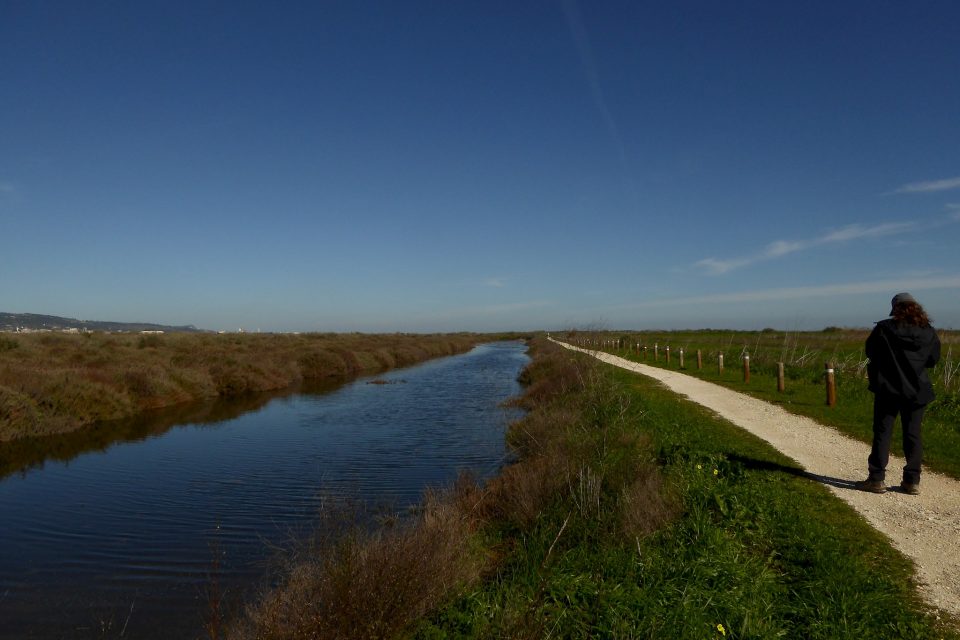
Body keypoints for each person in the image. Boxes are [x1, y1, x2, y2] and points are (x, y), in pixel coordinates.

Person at [857, 293, 940, 495]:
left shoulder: (884, 329)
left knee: (883, 432)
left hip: (888, 388)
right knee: (913, 434)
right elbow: (933, 360)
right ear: (915, 307)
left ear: (895, 308)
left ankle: (876, 479)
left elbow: (871, 353)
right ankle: (912, 481)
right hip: (917, 390)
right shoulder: (928, 331)